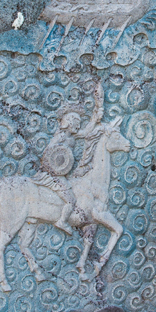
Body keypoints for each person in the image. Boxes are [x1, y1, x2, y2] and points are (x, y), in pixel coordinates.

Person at [35, 82, 103, 233]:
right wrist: (57, 167)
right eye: (76, 123)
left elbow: (85, 133)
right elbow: (49, 154)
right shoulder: (59, 137)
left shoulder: (71, 137)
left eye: (79, 123)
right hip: (52, 175)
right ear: (69, 122)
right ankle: (62, 221)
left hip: (61, 173)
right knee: (71, 199)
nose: (78, 126)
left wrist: (95, 118)